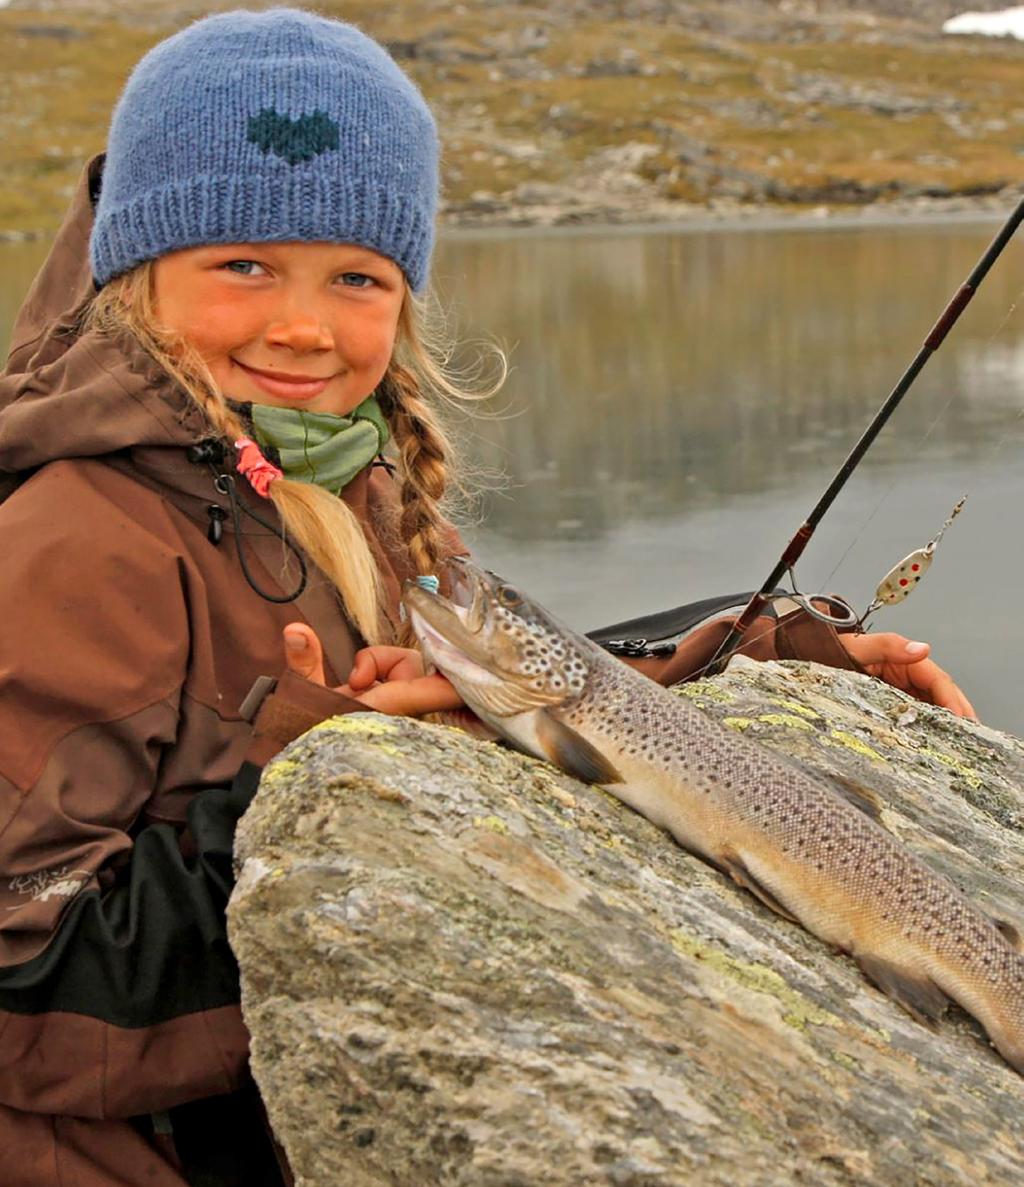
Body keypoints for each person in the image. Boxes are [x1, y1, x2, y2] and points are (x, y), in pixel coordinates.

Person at [0, 8, 975, 1186]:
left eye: (354, 276)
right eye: (242, 263)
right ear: (134, 272)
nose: (301, 324)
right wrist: (319, 780)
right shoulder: (72, 535)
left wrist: (756, 651)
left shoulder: (326, 471)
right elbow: (30, 985)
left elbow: (511, 684)